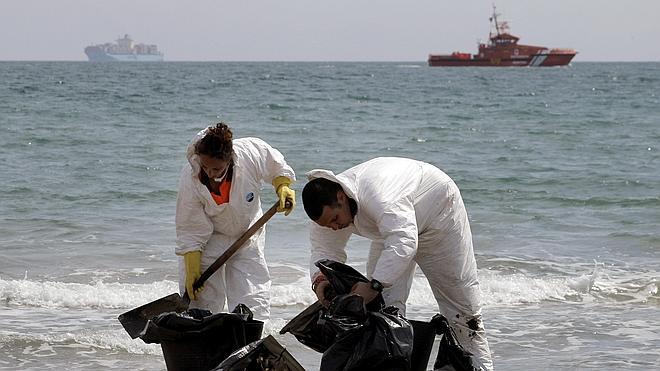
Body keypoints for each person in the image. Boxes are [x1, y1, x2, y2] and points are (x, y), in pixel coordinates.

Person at [302, 157, 493, 370]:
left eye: (335, 219)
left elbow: (404, 240)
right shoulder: (328, 215)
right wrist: (319, 281)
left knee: (464, 315)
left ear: (341, 197)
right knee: (387, 314)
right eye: (327, 225)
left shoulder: (378, 195)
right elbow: (324, 251)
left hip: (439, 217)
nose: (334, 228)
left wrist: (374, 285)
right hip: (390, 233)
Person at [175, 122, 295, 320]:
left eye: (216, 168)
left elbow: (276, 166)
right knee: (201, 299)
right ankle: (202, 340)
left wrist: (282, 186)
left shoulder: (250, 153)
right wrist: (192, 266)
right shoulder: (191, 177)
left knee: (252, 295)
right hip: (210, 238)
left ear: (229, 159)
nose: (210, 173)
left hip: (248, 233)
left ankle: (249, 341)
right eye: (205, 167)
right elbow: (190, 226)